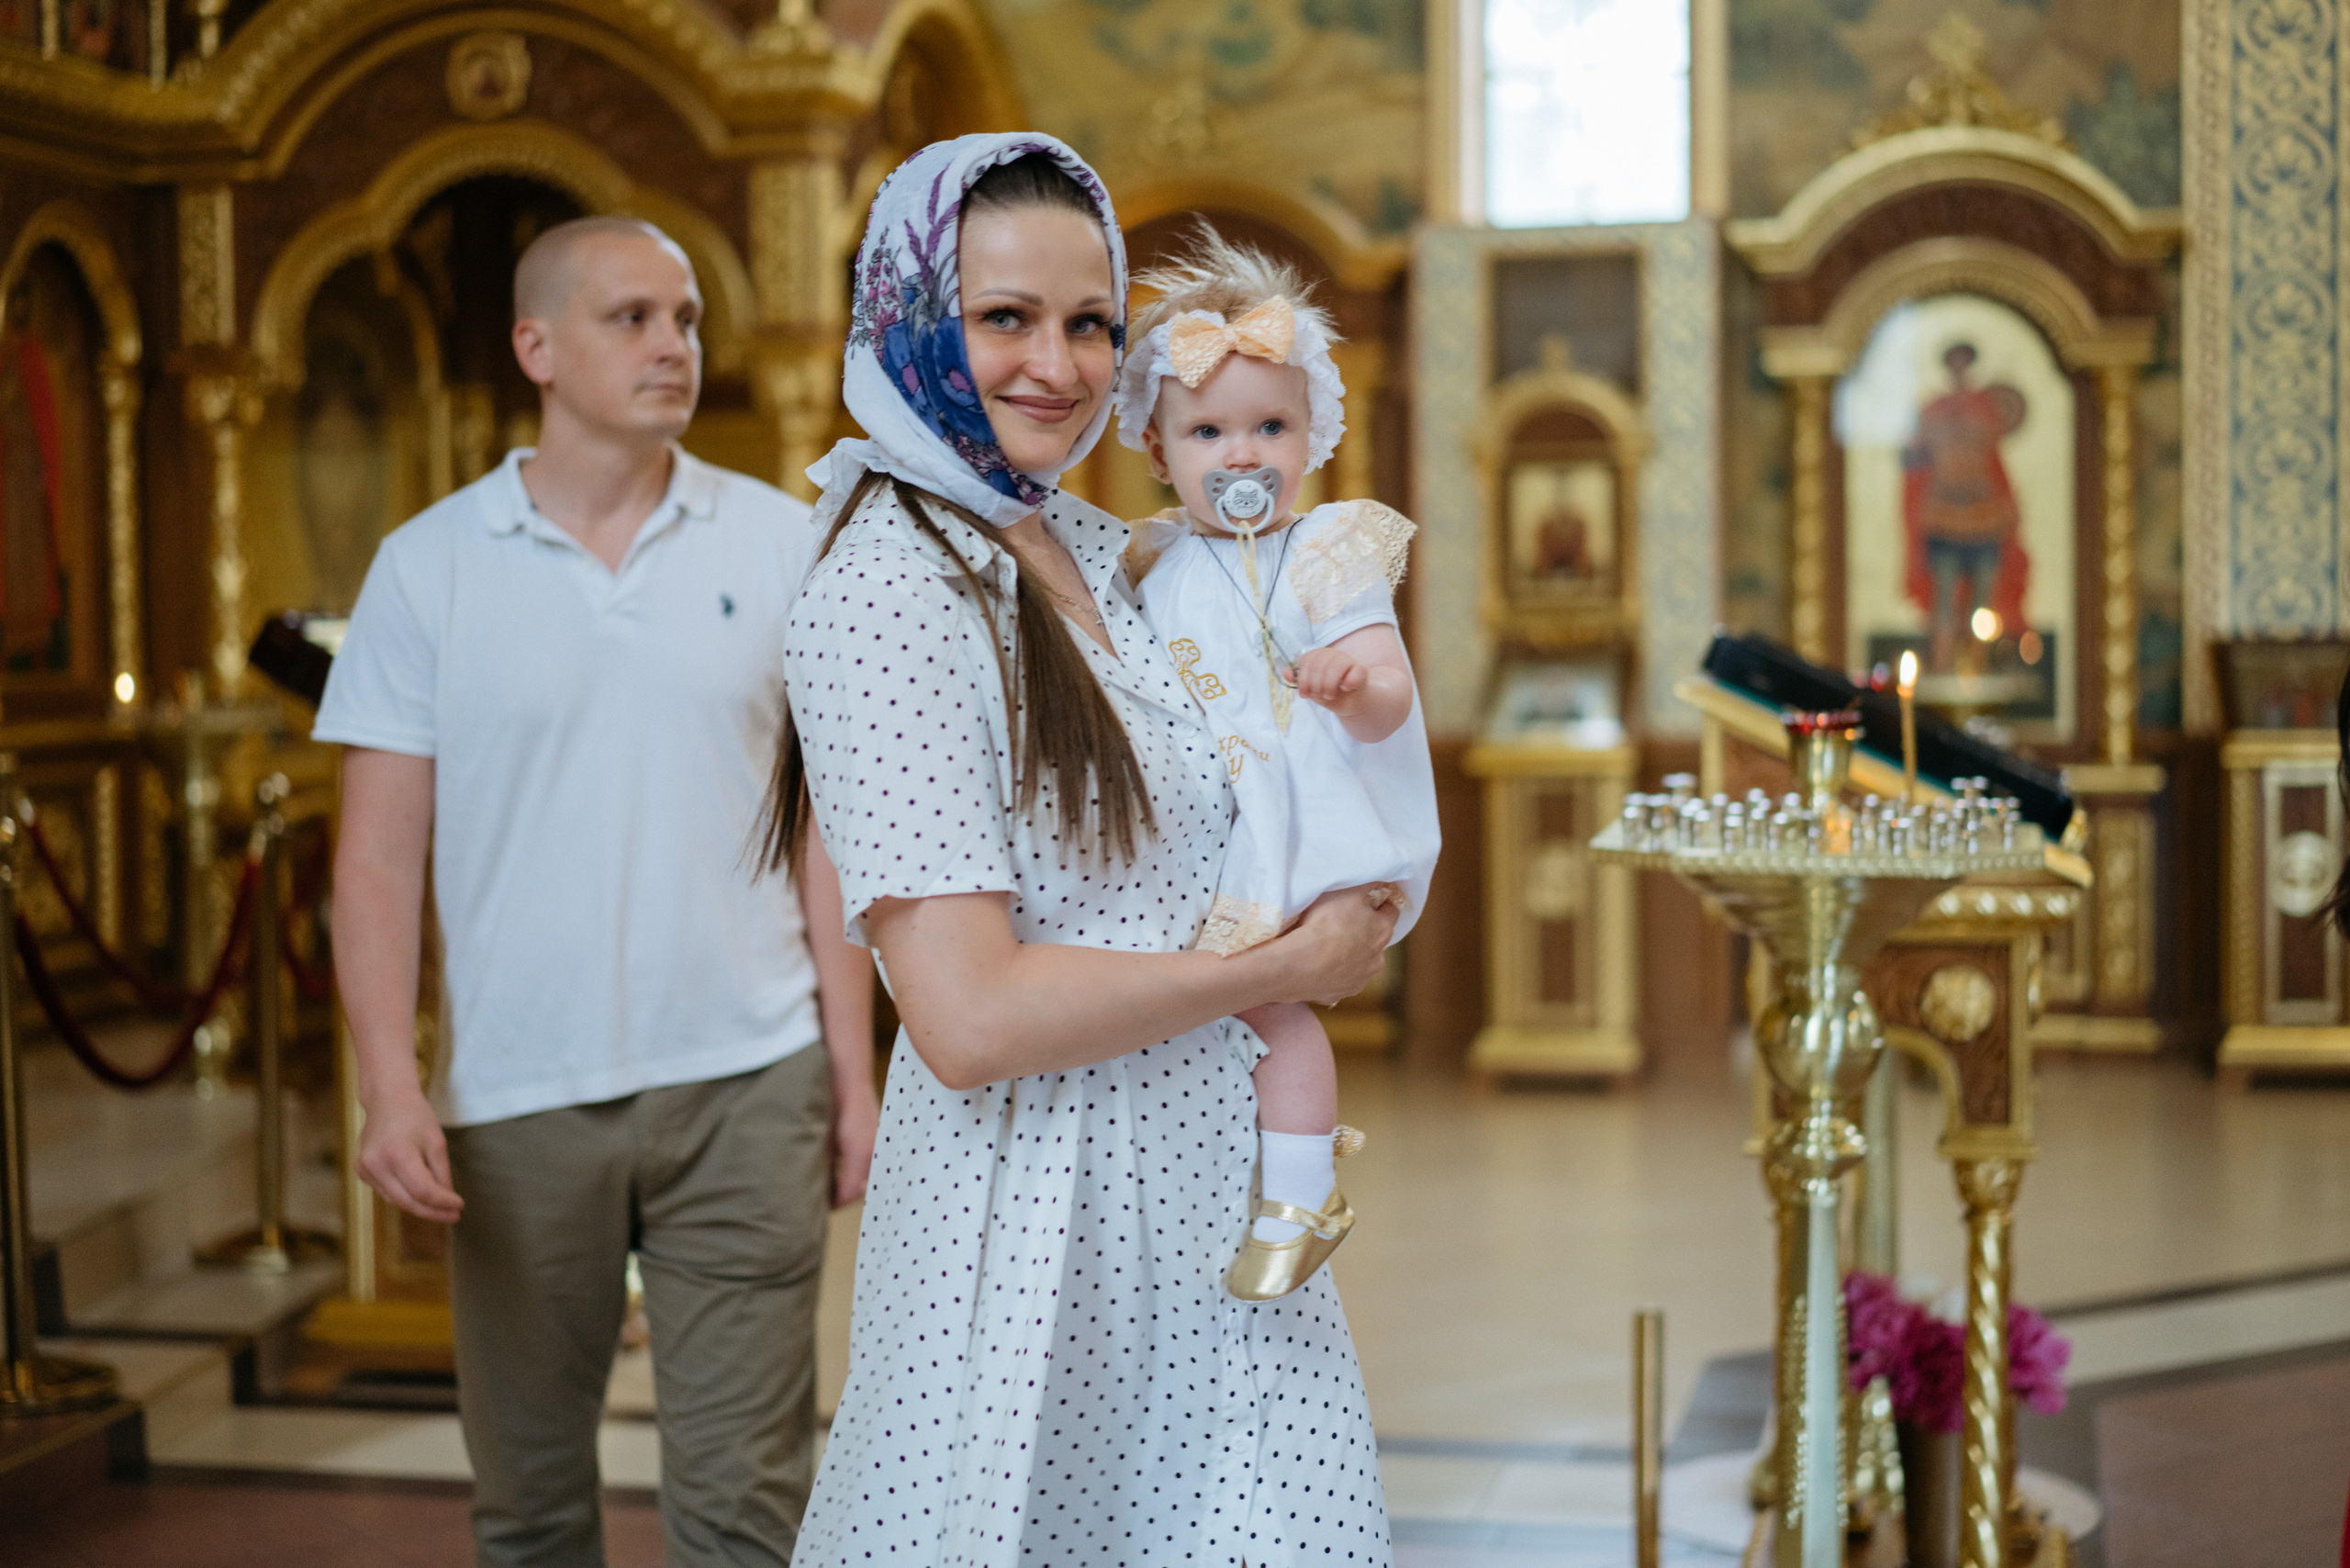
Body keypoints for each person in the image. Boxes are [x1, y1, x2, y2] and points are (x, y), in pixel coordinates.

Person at [768, 133, 1400, 1566]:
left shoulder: (1096, 542)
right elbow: (972, 1016)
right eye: (1005, 319)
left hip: (1205, 1178)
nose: (1056, 363)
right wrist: (1288, 963)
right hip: (1040, 1219)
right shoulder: (888, 588)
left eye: (1089, 322)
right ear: (911, 317)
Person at [316, 215, 876, 1568]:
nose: (672, 345)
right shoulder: (429, 565)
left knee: (746, 1504)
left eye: (683, 319)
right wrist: (391, 1085)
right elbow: (377, 856)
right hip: (519, 1098)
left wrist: (856, 1080)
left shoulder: (784, 543)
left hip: (752, 1077)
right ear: (538, 347)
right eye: (632, 318)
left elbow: (830, 840)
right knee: (530, 1510)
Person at [1110, 224, 1438, 1300]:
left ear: (1312, 436)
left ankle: (1297, 1196)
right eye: (1207, 430)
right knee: (1220, 1012)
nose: (1241, 453)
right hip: (1206, 829)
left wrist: (1356, 679)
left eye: (1270, 427)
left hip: (1300, 823)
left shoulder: (1327, 551)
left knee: (1277, 1006)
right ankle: (1241, 1187)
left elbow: (1391, 698)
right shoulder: (1149, 560)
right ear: (1160, 452)